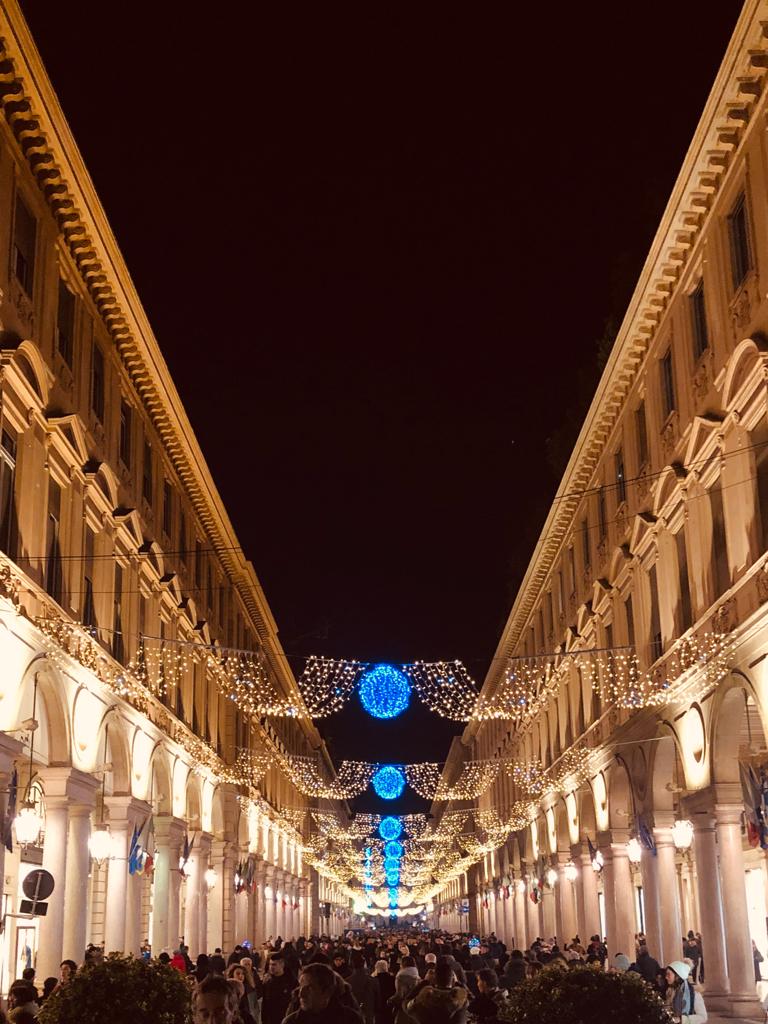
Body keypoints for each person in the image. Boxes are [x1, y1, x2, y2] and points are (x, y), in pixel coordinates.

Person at [282, 963, 363, 1023]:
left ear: (327, 992)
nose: (301, 994)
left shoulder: (351, 1020)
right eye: (300, 987)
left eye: (309, 988)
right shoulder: (291, 1022)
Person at [261, 952, 294, 1024]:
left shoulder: (291, 981)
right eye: (270, 964)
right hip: (270, 1019)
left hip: (285, 1018)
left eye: (274, 964)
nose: (271, 967)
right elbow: (265, 1002)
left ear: (282, 964)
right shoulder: (267, 981)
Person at [348, 951, 379, 1024]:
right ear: (364, 964)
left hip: (353, 1013)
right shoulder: (373, 980)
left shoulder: (347, 981)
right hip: (369, 1012)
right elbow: (377, 999)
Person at [392, 955, 420, 1024]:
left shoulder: (401, 977)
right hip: (414, 1006)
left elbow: (399, 995)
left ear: (403, 964)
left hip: (404, 1006)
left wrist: (390, 1000)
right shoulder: (417, 975)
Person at [373, 960, 395, 1024]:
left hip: (378, 1006)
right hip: (390, 1005)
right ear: (386, 968)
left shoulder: (374, 980)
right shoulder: (392, 978)